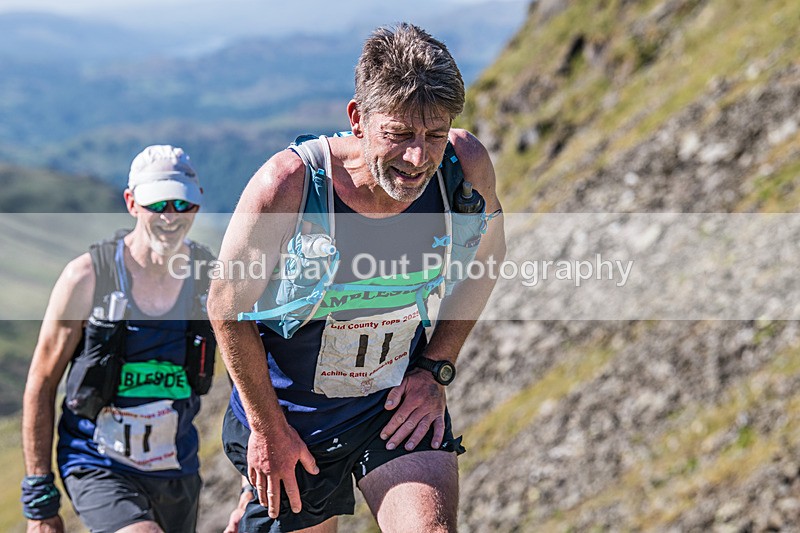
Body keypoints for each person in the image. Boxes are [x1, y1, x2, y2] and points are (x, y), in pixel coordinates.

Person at [210, 23, 506, 532]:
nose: (418, 158)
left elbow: (488, 258)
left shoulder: (465, 166)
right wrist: (268, 430)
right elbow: (225, 307)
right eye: (399, 134)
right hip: (293, 422)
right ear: (358, 119)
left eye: (434, 134)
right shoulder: (288, 187)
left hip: (389, 407)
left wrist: (436, 368)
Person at [21, 145, 216, 533]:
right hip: (97, 462)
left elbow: (252, 371)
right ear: (131, 203)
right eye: (157, 204)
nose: (171, 216)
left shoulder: (210, 278)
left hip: (177, 467)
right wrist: (39, 499)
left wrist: (251, 480)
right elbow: (41, 383)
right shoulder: (86, 278)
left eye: (183, 205)